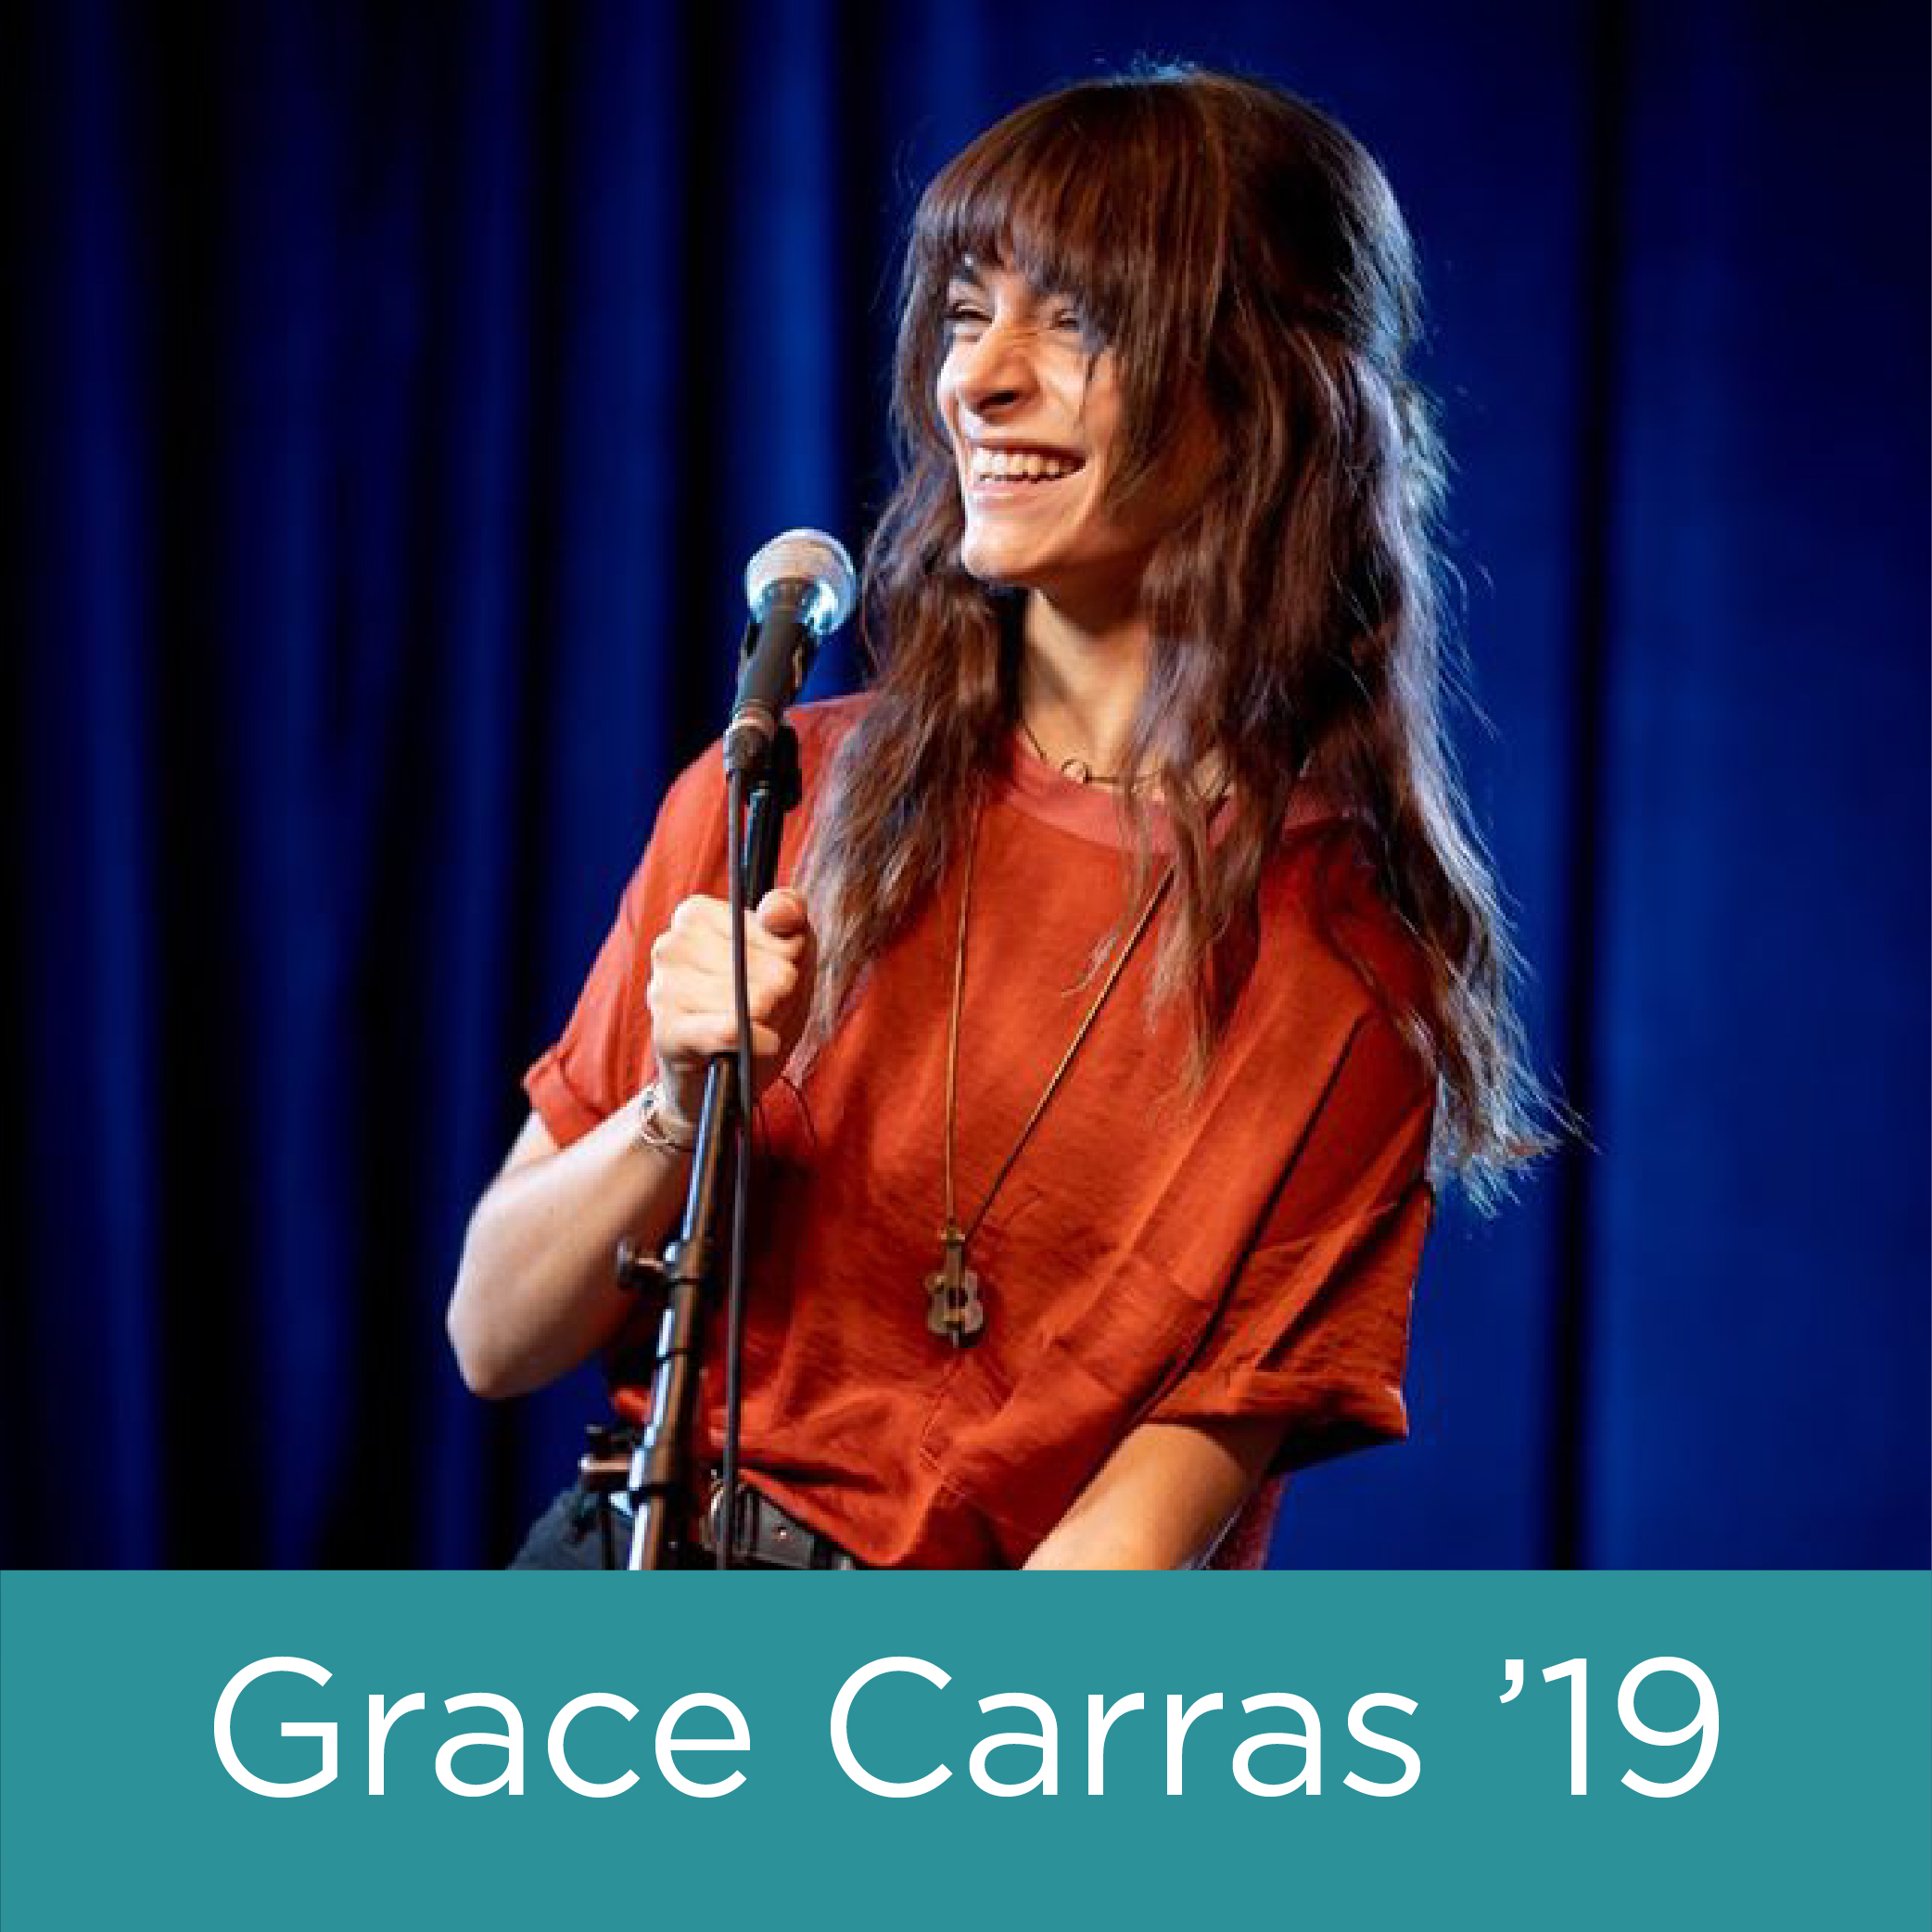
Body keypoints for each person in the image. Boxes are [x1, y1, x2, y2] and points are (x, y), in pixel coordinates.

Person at [447, 67, 1543, 1570]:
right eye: (967, 315)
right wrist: (673, 1109)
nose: (980, 379)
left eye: (1079, 319)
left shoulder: (1348, 972)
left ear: (1274, 394)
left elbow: (1118, 1570)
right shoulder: (779, 793)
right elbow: (493, 1336)